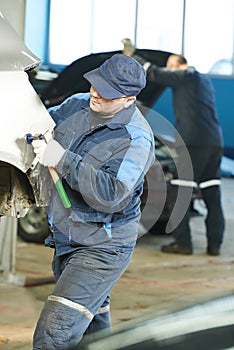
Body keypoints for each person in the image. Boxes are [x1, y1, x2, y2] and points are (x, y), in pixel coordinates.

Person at [31, 54, 155, 349]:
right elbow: (42, 123)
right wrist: (35, 133)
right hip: (67, 237)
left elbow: (112, 193)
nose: (96, 93)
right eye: (96, 84)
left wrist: (61, 159)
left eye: (108, 92)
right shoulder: (77, 104)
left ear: (128, 99)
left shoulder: (136, 141)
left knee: (54, 333)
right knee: (94, 333)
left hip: (102, 248)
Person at [139, 53, 225, 256]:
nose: (169, 71)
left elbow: (156, 74)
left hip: (194, 142)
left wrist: (139, 60)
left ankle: (182, 242)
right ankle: (215, 245)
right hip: (213, 141)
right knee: (211, 191)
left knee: (180, 191)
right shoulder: (203, 80)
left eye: (170, 67)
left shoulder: (185, 75)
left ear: (177, 66)